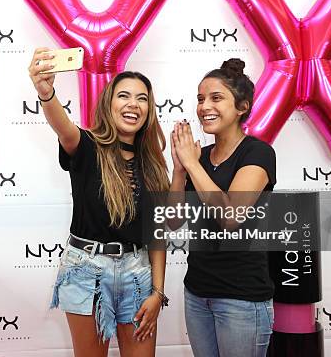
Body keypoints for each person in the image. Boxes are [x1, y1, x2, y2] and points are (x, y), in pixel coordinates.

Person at [28, 48, 170, 357]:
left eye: (142, 98)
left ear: (149, 109)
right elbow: (63, 127)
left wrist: (158, 292)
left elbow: (158, 233)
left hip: (138, 272)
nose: (133, 104)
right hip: (86, 271)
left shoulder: (154, 163)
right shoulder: (87, 145)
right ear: (109, 103)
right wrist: (46, 93)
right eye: (124, 96)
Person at [169, 58, 276, 357]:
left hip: (242, 298)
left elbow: (231, 217)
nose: (204, 107)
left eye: (216, 98)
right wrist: (180, 170)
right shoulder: (198, 158)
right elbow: (173, 222)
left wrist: (192, 164)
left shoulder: (258, 153)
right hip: (197, 293)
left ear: (242, 107)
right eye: (201, 99)